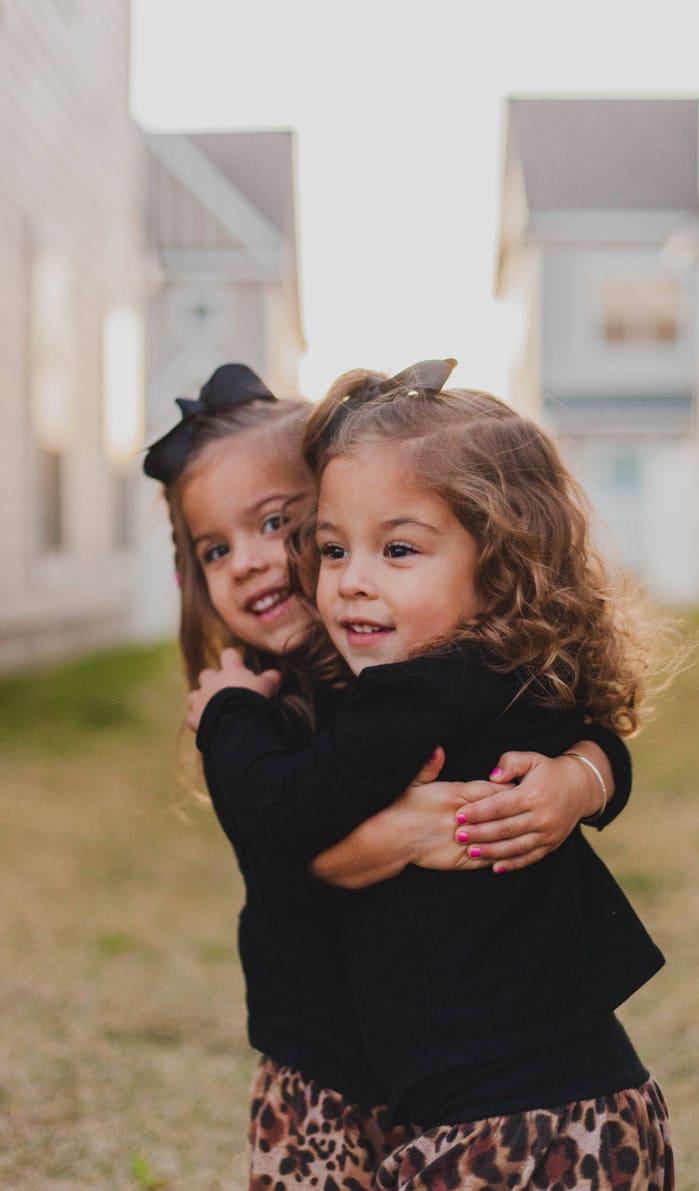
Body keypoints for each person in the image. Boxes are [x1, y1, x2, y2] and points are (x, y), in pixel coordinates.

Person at [144, 362, 635, 1189]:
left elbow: (587, 727)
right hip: (328, 1055)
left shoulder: (407, 667)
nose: (253, 562)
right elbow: (288, 844)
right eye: (216, 548)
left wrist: (582, 778)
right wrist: (399, 832)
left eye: (280, 525)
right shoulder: (267, 708)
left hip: (467, 1072)